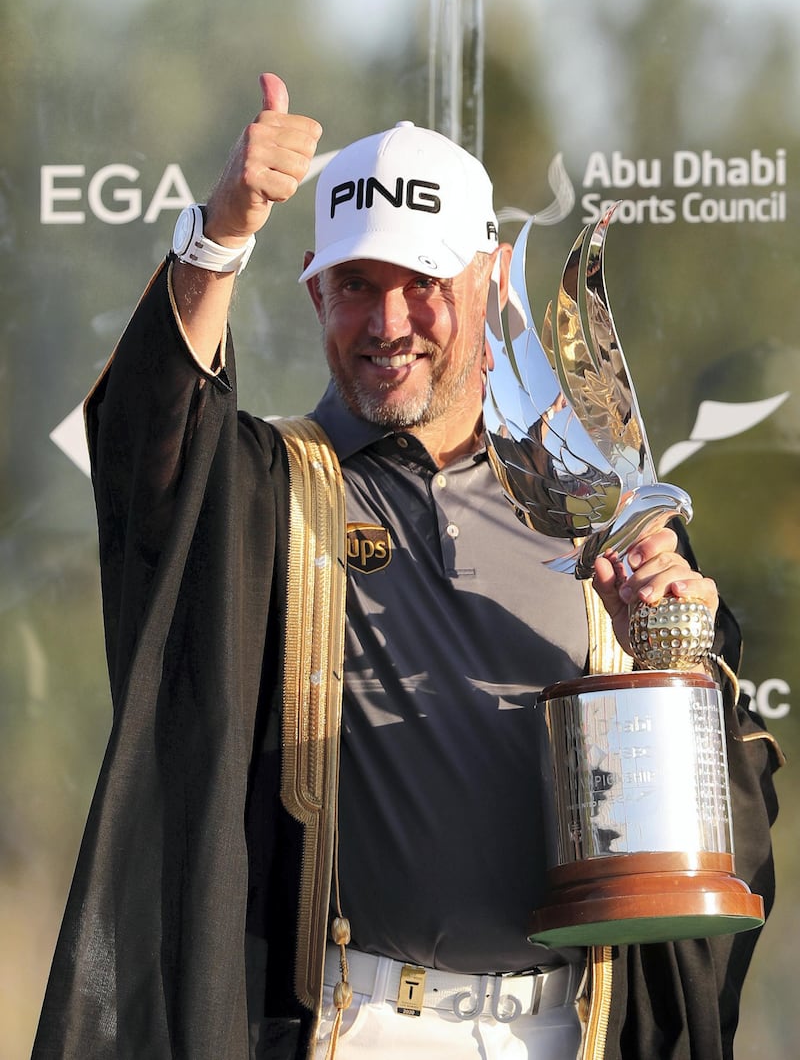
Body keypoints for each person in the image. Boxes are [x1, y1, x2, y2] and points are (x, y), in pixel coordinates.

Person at [32, 73, 778, 1060]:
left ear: (491, 275)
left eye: (420, 282)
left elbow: (723, 804)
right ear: (309, 286)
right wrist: (218, 233)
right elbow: (149, 448)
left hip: (570, 1029)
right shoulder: (268, 486)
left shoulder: (600, 510)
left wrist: (677, 658)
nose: (387, 324)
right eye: (355, 285)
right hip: (351, 1027)